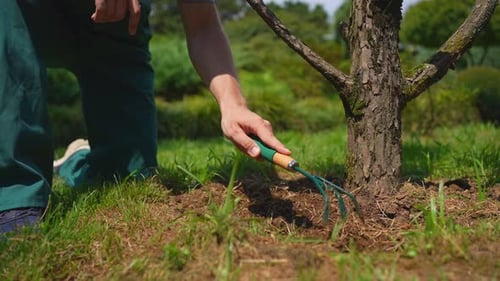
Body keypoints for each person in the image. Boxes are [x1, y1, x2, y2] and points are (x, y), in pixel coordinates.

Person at [0, 0, 290, 233]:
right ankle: (16, 195)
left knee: (128, 175)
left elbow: (202, 27)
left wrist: (233, 104)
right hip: (22, 17)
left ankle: (76, 162)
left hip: (117, 25)